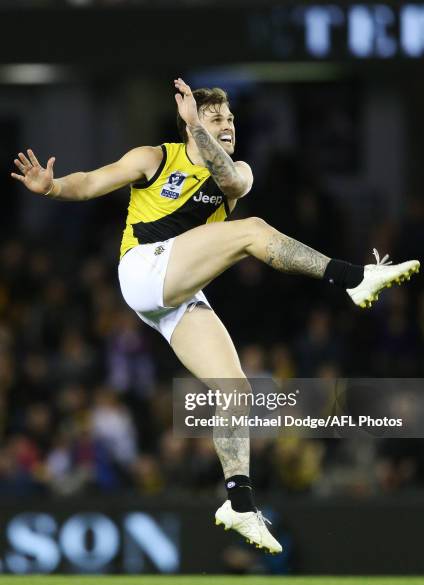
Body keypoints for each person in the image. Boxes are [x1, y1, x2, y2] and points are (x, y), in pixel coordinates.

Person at [11, 78, 420, 554]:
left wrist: (199, 131)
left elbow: (229, 179)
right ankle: (351, 278)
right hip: (142, 269)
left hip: (175, 296)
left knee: (235, 390)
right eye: (215, 120)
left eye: (231, 120)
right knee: (250, 231)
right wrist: (53, 186)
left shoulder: (238, 172)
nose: (227, 126)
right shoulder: (156, 158)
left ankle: (239, 503)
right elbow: (91, 183)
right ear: (190, 124)